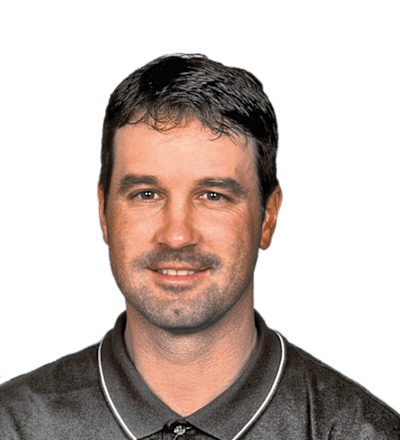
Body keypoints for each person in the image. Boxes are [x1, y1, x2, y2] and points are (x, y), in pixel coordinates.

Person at [1, 53, 399, 440]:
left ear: (268, 217)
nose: (177, 235)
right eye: (146, 194)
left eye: (213, 196)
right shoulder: (13, 426)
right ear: (103, 213)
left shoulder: (363, 432)